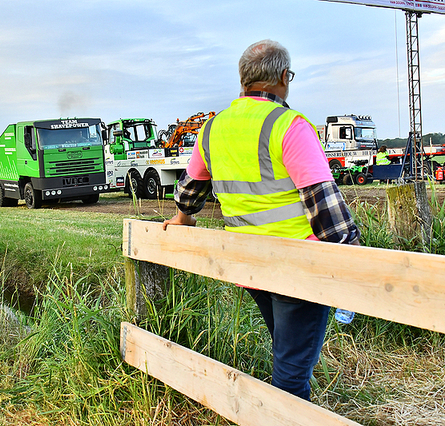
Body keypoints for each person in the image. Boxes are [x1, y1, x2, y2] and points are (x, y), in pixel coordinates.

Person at [162, 40, 360, 401]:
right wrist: (358, 259)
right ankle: (286, 412)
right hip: (297, 263)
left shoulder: (212, 128)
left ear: (243, 79)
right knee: (291, 371)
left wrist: (181, 219)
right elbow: (324, 204)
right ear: (284, 77)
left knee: (288, 353)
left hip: (248, 263)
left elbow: (191, 191)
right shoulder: (290, 125)